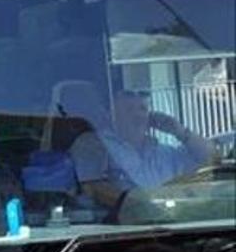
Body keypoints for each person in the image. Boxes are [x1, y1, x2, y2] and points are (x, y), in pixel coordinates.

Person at [69, 89, 215, 213]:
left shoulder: (165, 152)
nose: (138, 115)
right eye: (129, 109)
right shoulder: (93, 143)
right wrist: (145, 208)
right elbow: (93, 188)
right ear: (112, 114)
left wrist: (179, 131)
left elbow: (211, 158)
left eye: (143, 109)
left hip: (171, 226)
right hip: (118, 231)